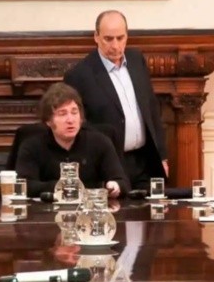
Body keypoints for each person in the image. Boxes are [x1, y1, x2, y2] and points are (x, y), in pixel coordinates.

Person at [64, 11, 168, 190]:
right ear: (96, 37)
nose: (115, 45)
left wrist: (162, 156)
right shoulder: (79, 75)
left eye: (121, 38)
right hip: (110, 166)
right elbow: (81, 127)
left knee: (150, 215)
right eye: (108, 39)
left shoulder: (137, 61)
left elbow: (151, 108)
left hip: (145, 161)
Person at [15, 83, 129, 198]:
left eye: (74, 112)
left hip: (90, 211)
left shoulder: (100, 142)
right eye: (62, 114)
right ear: (48, 121)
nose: (70, 120)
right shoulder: (32, 146)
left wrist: (115, 185)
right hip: (47, 211)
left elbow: (122, 182)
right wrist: (61, 187)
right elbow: (25, 185)